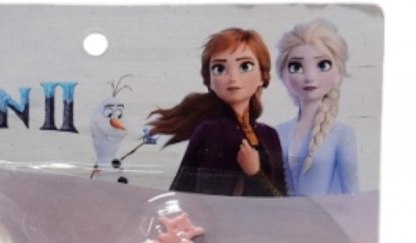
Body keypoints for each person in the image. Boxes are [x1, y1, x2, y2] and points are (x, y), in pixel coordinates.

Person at [149, 28, 286, 196]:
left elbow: (281, 201)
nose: (233, 78)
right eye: (219, 68)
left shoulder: (269, 135)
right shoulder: (210, 130)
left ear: (262, 76)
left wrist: (255, 174)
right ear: (210, 81)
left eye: (245, 66)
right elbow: (189, 192)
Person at [276, 19, 358, 195]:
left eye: (322, 65)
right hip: (280, 213)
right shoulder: (277, 133)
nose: (309, 77)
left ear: (338, 73)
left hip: (323, 213)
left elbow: (351, 194)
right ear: (283, 75)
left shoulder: (342, 135)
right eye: (296, 66)